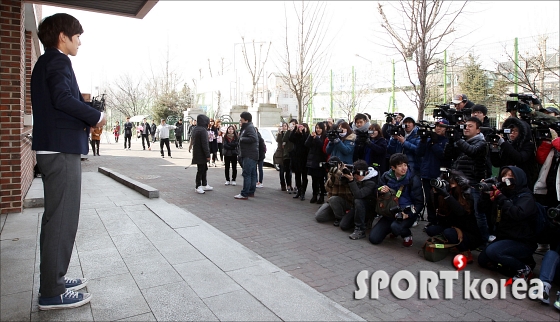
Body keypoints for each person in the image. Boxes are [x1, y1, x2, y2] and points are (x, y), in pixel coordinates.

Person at [31, 12, 105, 310]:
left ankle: (56, 280)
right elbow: (62, 99)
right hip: (60, 150)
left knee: (57, 218)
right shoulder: (58, 60)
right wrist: (95, 115)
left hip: (54, 148)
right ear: (63, 36)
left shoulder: (47, 61)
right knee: (62, 220)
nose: (79, 42)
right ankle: (52, 291)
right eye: (77, 37)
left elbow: (57, 101)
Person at [478, 166, 538, 281]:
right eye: (504, 175)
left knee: (493, 252)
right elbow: (482, 209)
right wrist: (485, 194)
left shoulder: (526, 197)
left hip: (522, 241)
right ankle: (515, 261)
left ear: (518, 178)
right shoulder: (503, 193)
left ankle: (524, 268)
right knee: (483, 260)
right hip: (504, 238)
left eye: (510, 176)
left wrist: (500, 197)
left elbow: (517, 214)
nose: (506, 178)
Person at [444, 116, 490, 244]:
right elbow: (448, 155)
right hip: (459, 183)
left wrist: (458, 139)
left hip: (474, 184)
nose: (466, 128)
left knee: (478, 214)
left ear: (478, 130)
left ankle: (483, 239)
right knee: (459, 210)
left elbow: (472, 151)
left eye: (470, 126)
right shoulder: (462, 142)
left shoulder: (482, 143)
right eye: (465, 126)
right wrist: (450, 139)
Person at [427, 169, 482, 264]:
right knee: (431, 230)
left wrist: (446, 195)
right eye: (447, 183)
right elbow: (435, 209)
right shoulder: (445, 194)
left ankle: (465, 251)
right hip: (450, 227)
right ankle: (453, 243)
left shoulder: (466, 194)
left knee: (449, 233)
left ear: (459, 184)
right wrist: (436, 194)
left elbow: (460, 212)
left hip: (468, 233)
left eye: (452, 184)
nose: (449, 186)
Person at [369, 153, 424, 247]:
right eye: (400, 166)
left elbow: (419, 203)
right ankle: (392, 229)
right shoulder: (386, 176)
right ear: (393, 168)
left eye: (405, 165)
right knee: (374, 239)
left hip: (405, 213)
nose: (404, 168)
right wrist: (381, 190)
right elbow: (375, 190)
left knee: (396, 227)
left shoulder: (413, 179)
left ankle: (406, 234)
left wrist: (409, 214)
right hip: (389, 212)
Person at [417, 120, 450, 226]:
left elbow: (443, 156)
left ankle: (441, 221)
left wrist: (435, 144)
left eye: (441, 126)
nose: (438, 128)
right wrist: (423, 140)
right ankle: (431, 221)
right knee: (429, 199)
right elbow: (419, 153)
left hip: (439, 175)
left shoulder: (447, 141)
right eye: (436, 126)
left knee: (440, 199)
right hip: (427, 174)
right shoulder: (429, 140)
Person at [489, 117, 538, 189]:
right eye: (510, 131)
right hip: (505, 180)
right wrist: (494, 149)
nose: (512, 133)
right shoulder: (507, 144)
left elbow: (519, 158)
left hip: (521, 182)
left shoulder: (528, 145)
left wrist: (504, 144)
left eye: (515, 131)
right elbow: (497, 163)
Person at [343, 160, 378, 240]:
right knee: (344, 226)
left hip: (369, 208)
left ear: (366, 172)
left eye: (360, 173)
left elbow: (359, 195)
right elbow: (343, 182)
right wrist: (344, 174)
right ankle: (360, 222)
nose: (357, 176)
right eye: (356, 173)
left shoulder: (371, 182)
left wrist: (351, 180)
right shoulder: (355, 176)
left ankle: (360, 229)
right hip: (357, 208)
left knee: (358, 201)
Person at [314, 156, 354, 228]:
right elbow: (327, 188)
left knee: (334, 199)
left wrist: (337, 172)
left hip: (346, 201)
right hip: (333, 201)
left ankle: (340, 217)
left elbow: (347, 186)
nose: (332, 167)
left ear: (339, 164)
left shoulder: (346, 171)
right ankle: (336, 212)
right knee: (319, 217)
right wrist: (332, 176)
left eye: (334, 164)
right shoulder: (331, 172)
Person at [235, 112, 259, 200]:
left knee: (247, 174)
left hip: (249, 155)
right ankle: (251, 191)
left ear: (246, 120)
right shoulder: (248, 128)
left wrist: (241, 138)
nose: (240, 122)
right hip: (251, 154)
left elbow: (253, 138)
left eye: (241, 120)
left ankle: (245, 193)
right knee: (252, 174)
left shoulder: (249, 128)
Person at [305, 122, 328, 204]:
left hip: (321, 161)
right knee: (314, 180)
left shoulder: (324, 137)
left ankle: (321, 196)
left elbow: (322, 147)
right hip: (313, 160)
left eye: (319, 128)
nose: (318, 130)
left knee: (321, 180)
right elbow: (307, 144)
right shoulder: (312, 136)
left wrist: (317, 138)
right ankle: (314, 195)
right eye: (317, 128)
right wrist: (311, 137)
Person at [189, 114, 213, 194]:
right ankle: (198, 186)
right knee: (201, 170)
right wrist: (207, 155)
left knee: (204, 168)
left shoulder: (195, 129)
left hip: (197, 152)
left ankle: (204, 184)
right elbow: (205, 144)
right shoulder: (203, 130)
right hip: (201, 153)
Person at [289, 122, 310, 200]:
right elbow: (290, 138)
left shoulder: (308, 135)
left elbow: (306, 142)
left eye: (304, 127)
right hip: (296, 158)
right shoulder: (296, 136)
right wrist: (295, 129)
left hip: (304, 158)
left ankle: (303, 192)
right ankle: (299, 190)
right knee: (297, 176)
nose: (302, 128)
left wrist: (303, 132)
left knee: (304, 176)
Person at [282, 119, 297, 194]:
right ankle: (288, 185)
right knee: (288, 171)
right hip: (287, 154)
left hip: (296, 154)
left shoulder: (297, 132)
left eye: (294, 124)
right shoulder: (288, 132)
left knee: (296, 171)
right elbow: (284, 139)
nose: (292, 126)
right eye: (291, 124)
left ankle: (297, 186)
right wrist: (288, 131)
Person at [274, 123, 290, 191]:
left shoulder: (289, 133)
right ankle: (283, 185)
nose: (284, 127)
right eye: (283, 126)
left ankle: (289, 184)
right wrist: (279, 133)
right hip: (281, 154)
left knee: (288, 171)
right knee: (281, 171)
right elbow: (278, 140)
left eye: (285, 126)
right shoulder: (280, 134)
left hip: (287, 154)